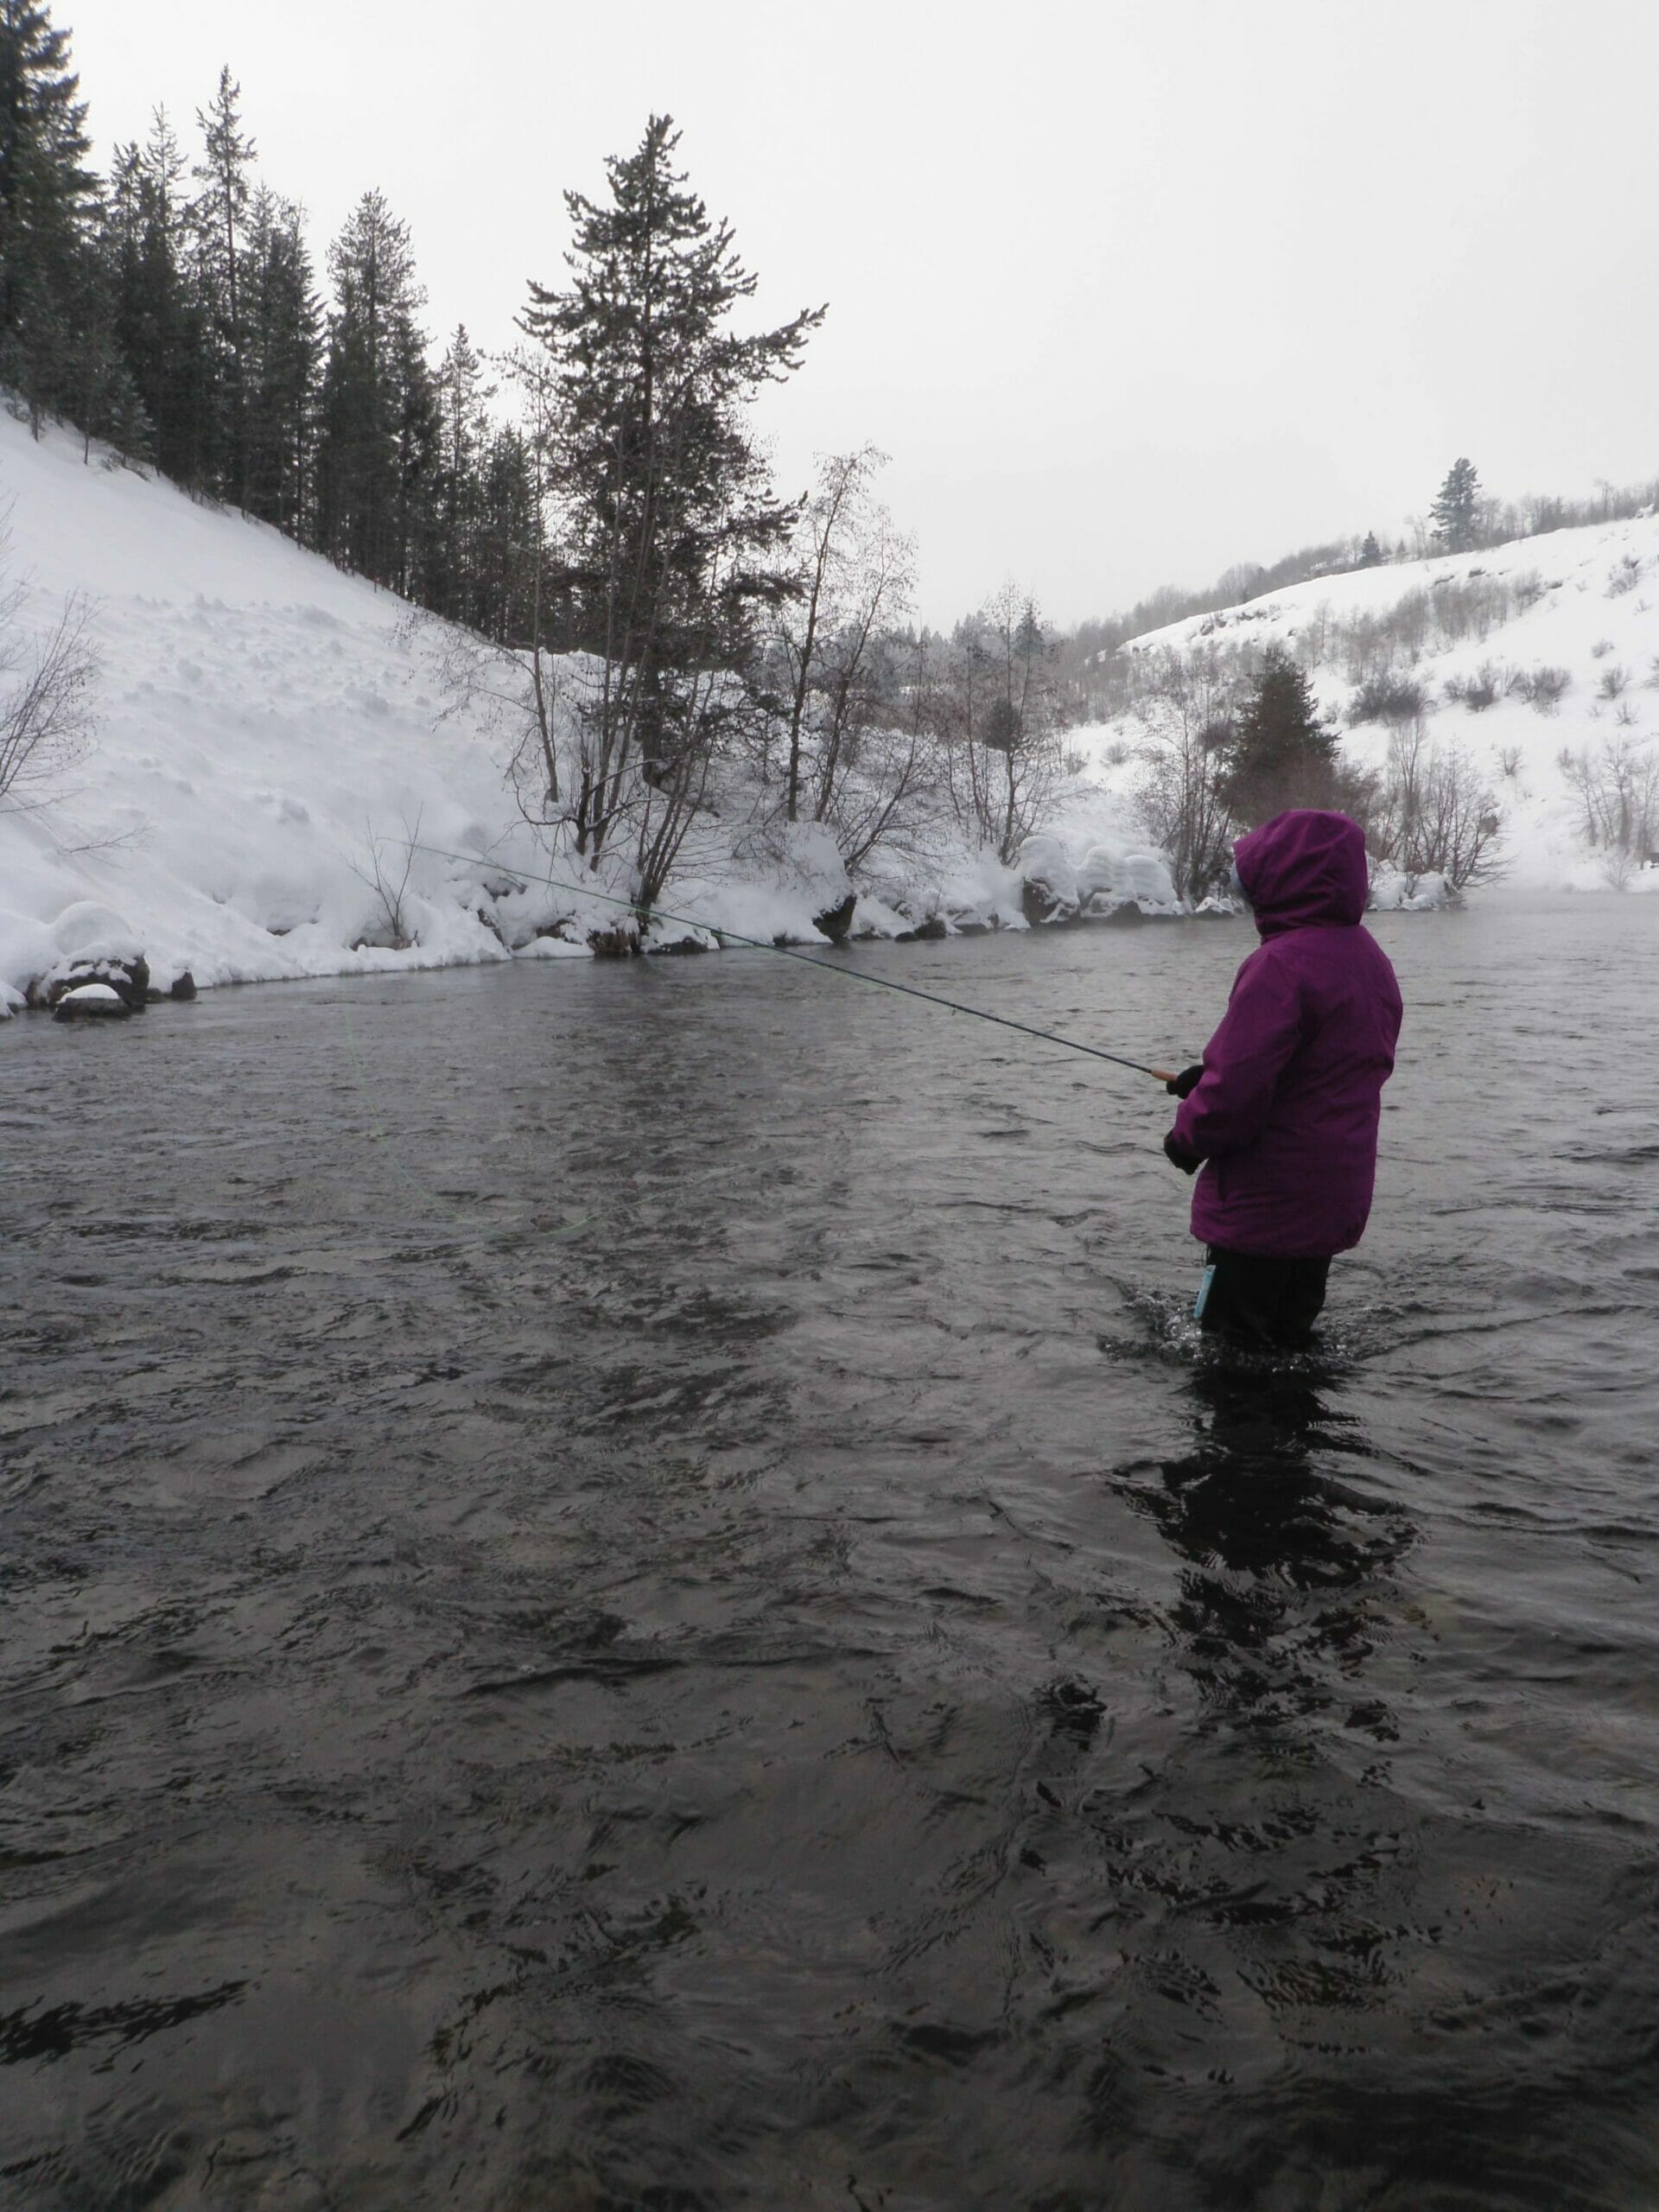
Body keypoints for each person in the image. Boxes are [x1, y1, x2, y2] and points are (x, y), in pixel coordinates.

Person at [1161, 809, 1402, 1348]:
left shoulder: (1281, 965)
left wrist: (1186, 1139)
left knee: (1231, 1361)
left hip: (1263, 1208)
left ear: (1282, 880)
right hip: (1327, 1202)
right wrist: (1212, 1077)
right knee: (1290, 1346)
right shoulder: (1369, 960)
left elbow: (1236, 1095)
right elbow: (1323, 1069)